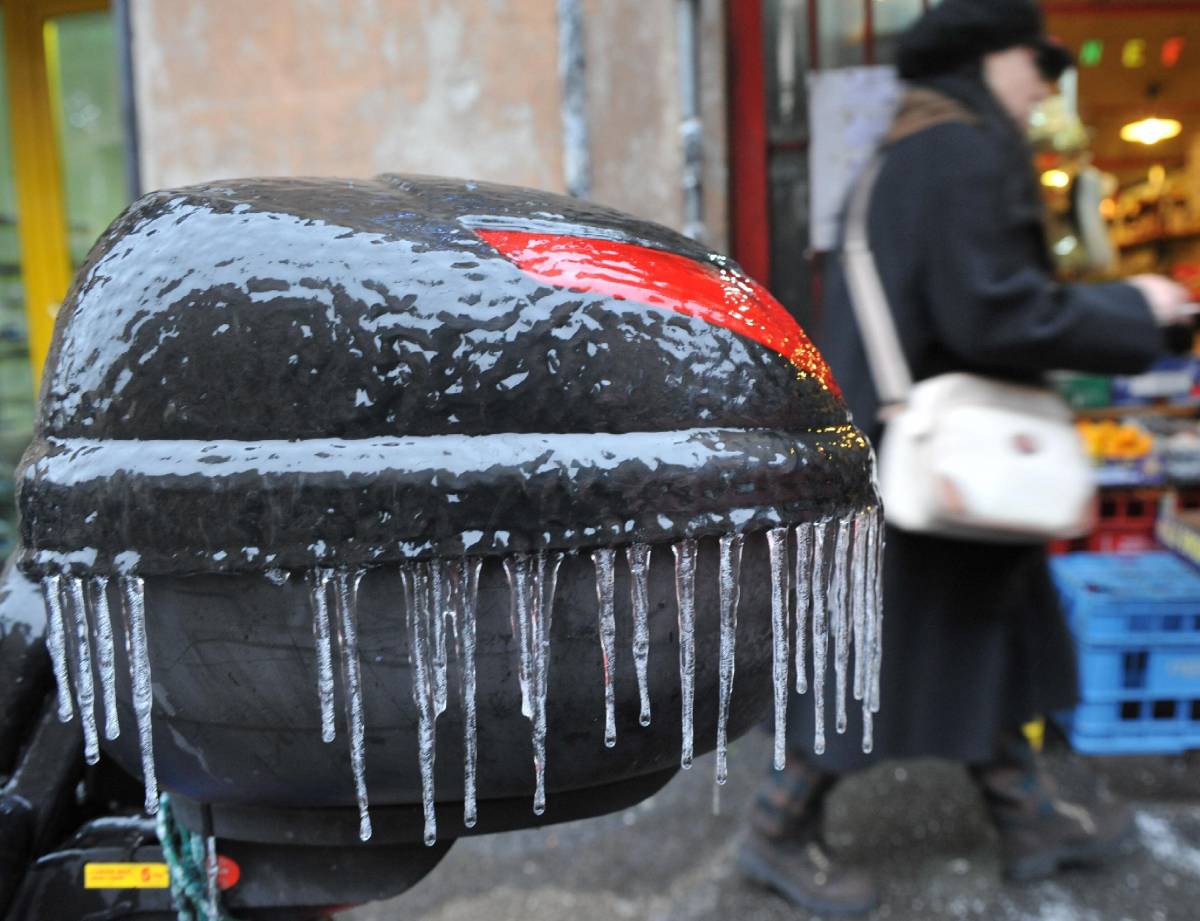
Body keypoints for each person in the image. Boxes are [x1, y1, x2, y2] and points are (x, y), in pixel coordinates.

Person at [737, 0, 1194, 914]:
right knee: (899, 651)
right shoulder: (965, 153)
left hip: (927, 455)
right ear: (989, 59)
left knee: (989, 636)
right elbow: (994, 311)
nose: (1044, 84)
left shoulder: (907, 151)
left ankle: (1028, 816)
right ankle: (776, 829)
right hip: (953, 464)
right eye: (1037, 63)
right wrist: (1131, 311)